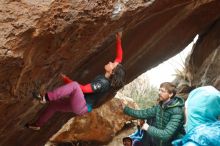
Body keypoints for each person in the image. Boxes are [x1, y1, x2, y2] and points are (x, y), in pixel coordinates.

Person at [26, 32, 125, 130]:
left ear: (112, 72)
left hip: (82, 106)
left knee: (74, 85)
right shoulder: (110, 75)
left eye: (112, 64)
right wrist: (118, 39)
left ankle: (45, 97)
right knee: (54, 105)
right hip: (81, 104)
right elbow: (119, 57)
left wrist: (67, 80)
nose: (110, 62)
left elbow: (84, 89)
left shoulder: (102, 83)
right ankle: (37, 125)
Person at [121, 82, 185, 146]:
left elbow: (166, 135)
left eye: (162, 91)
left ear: (170, 94)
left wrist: (148, 128)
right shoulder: (159, 107)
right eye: (159, 90)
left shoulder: (177, 111)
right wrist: (125, 109)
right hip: (158, 142)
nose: (159, 93)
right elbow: (143, 113)